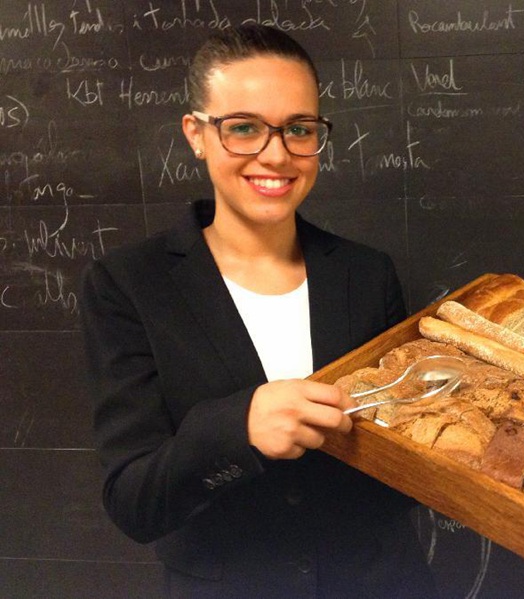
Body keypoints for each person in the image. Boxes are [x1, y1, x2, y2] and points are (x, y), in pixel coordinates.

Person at [80, 24, 438, 599]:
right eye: (243, 127)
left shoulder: (367, 273)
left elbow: (401, 464)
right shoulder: (128, 285)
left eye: (299, 129)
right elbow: (133, 502)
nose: (276, 155)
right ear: (196, 135)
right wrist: (237, 430)